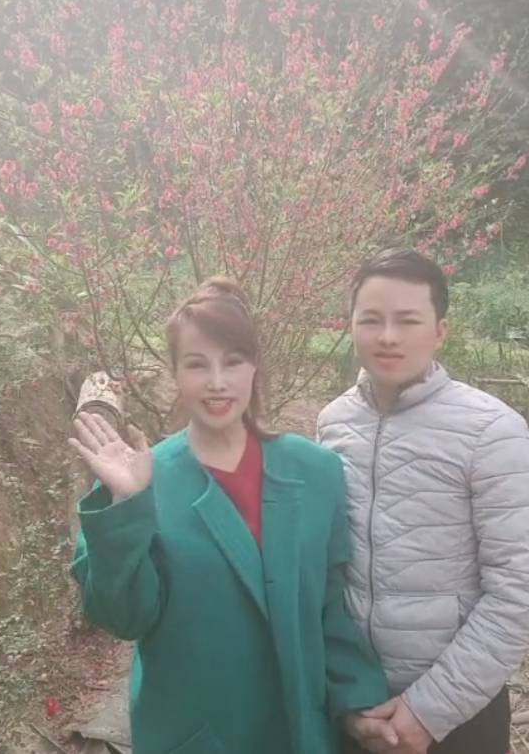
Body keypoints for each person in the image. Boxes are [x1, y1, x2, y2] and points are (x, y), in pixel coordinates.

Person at [68, 276, 394, 754]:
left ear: (255, 366)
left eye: (233, 361)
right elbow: (124, 619)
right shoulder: (140, 480)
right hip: (195, 735)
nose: (217, 382)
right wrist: (126, 506)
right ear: (175, 373)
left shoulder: (316, 471)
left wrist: (358, 702)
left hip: (301, 734)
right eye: (197, 364)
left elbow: (330, 605)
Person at [317, 248, 529, 754]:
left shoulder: (493, 431)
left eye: (408, 320)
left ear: (440, 330)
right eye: (371, 319)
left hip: (458, 711)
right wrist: (347, 693)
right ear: (350, 325)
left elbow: (518, 592)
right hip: (358, 701)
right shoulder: (334, 424)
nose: (388, 336)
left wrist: (427, 712)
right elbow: (330, 571)